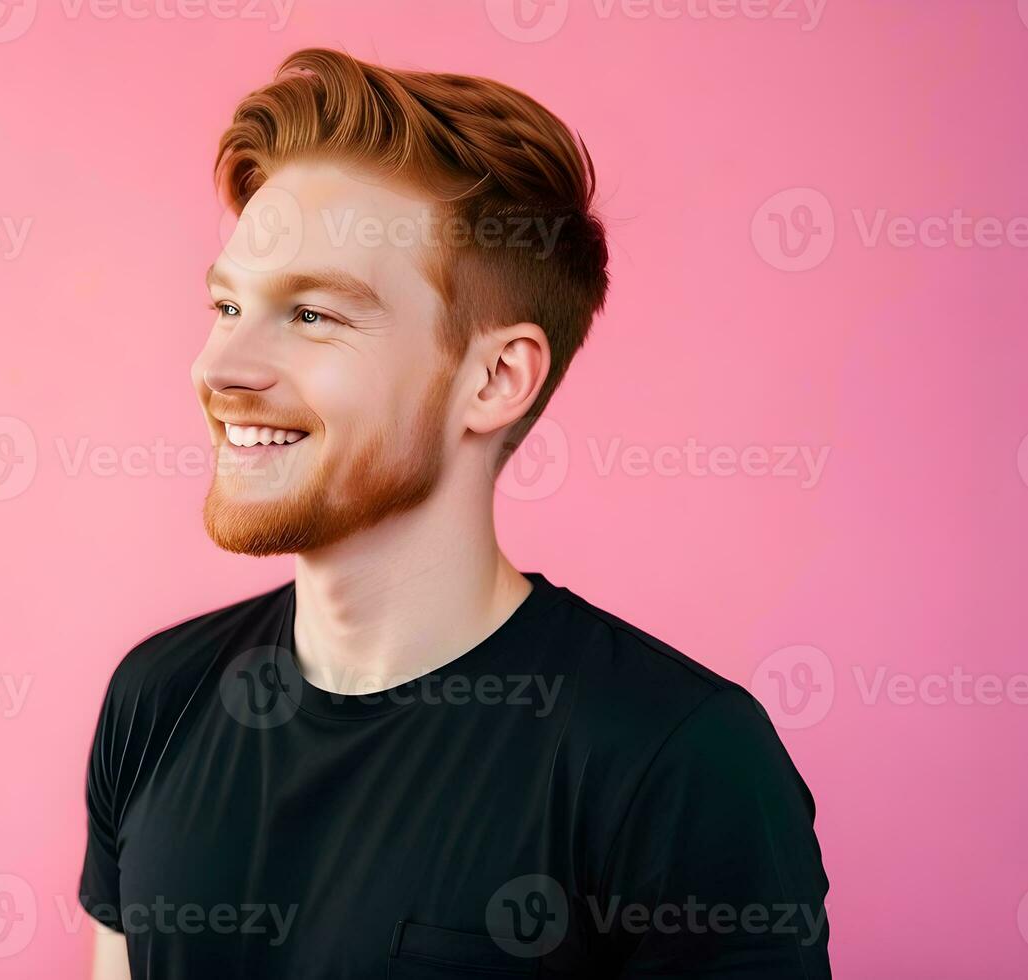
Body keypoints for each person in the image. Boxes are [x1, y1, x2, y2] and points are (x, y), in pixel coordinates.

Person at [80, 48, 830, 979]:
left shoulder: (677, 761)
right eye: (227, 304)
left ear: (492, 379)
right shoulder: (155, 699)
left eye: (312, 315)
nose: (220, 368)